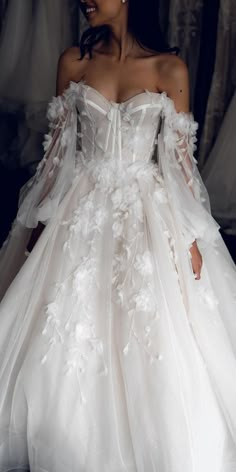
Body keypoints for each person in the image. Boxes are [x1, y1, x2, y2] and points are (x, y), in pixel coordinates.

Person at [0, 0, 236, 470]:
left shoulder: (169, 69)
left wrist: (191, 237)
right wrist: (39, 222)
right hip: (80, 208)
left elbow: (180, 166)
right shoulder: (74, 62)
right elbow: (57, 156)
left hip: (147, 212)